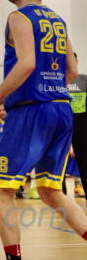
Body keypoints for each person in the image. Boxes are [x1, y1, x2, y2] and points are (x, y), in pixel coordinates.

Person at [0, 0, 87, 260]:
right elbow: (72, 70)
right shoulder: (58, 20)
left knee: (1, 191)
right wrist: (49, 87)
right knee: (50, 191)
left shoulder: (19, 17)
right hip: (61, 109)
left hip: (31, 112)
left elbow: (27, 64)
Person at [68, 53, 87, 204]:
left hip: (81, 126)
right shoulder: (56, 82)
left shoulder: (84, 80)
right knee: (58, 166)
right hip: (62, 125)